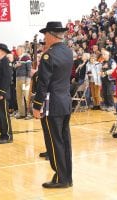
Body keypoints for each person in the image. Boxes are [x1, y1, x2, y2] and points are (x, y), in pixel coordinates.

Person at [33, 21, 73, 188]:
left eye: (45, 35)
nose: (44, 38)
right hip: (64, 101)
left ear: (50, 35)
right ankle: (67, 177)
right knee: (65, 141)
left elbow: (43, 83)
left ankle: (60, 178)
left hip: (52, 104)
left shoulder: (49, 55)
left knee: (54, 141)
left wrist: (36, 106)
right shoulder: (68, 52)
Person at [14, 45, 32, 119]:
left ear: (22, 50)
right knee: (19, 97)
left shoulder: (26, 57)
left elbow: (29, 69)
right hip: (18, 79)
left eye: (18, 49)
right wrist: (16, 66)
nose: (17, 51)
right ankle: (22, 113)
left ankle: (29, 114)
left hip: (25, 80)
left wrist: (28, 80)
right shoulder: (18, 58)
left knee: (26, 96)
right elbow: (15, 68)